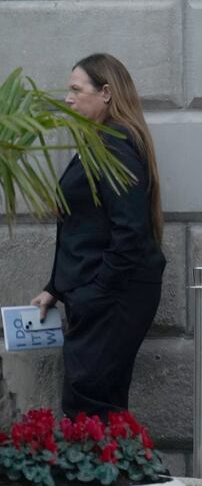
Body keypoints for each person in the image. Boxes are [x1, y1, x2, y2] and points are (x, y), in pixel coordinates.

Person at [30, 53, 166, 420]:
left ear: (106, 93)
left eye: (76, 89)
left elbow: (130, 232)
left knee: (89, 406)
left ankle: (110, 476)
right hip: (104, 295)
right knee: (95, 404)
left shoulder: (115, 144)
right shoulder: (101, 142)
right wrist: (56, 288)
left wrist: (94, 294)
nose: (67, 98)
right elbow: (85, 227)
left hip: (112, 298)